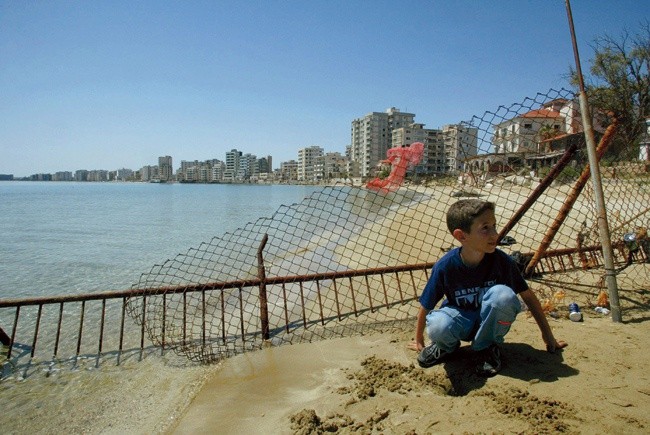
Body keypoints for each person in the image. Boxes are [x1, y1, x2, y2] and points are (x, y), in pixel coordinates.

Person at [409, 199, 567, 377]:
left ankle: (486, 348)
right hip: (461, 321)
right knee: (437, 324)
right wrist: (419, 339)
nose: (495, 234)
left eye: (494, 226)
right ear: (461, 236)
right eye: (485, 228)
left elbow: (528, 296)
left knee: (504, 296)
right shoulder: (446, 266)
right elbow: (426, 305)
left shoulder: (501, 261)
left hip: (490, 323)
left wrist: (547, 335)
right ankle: (446, 348)